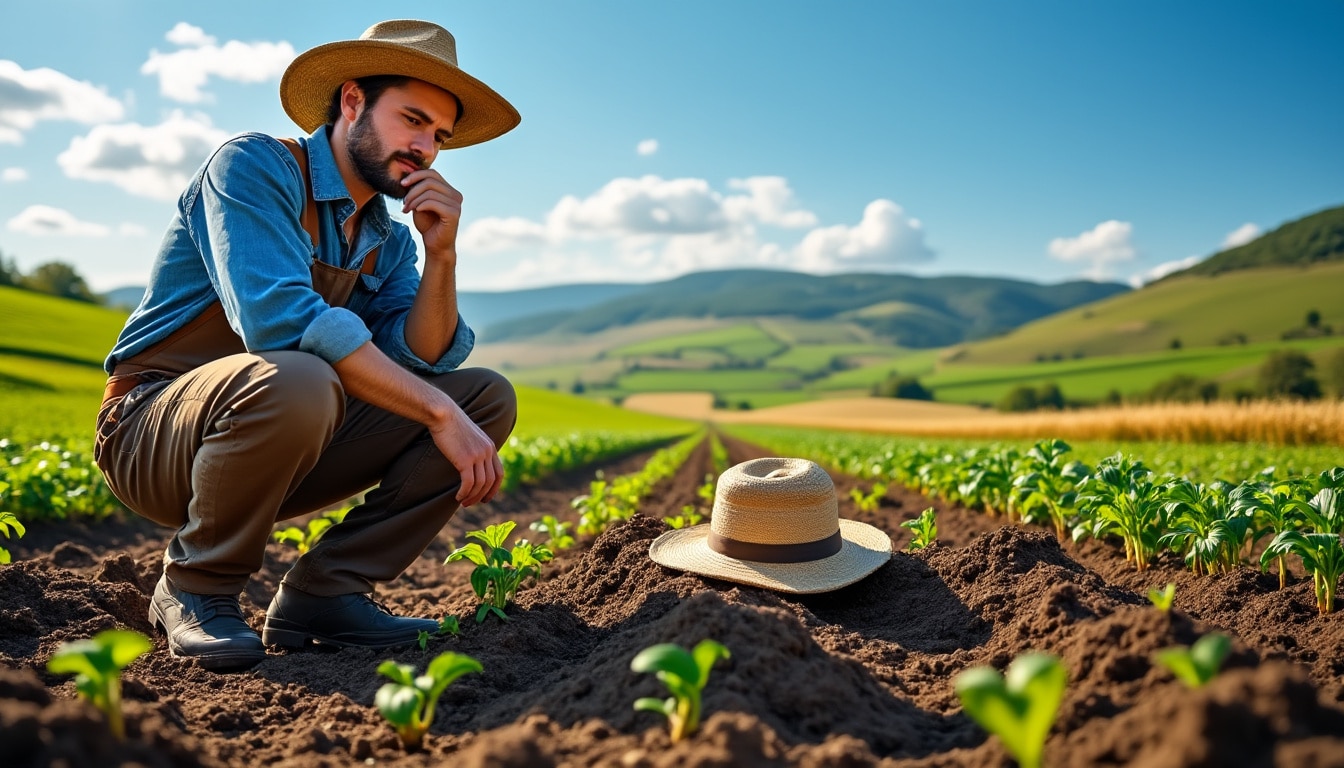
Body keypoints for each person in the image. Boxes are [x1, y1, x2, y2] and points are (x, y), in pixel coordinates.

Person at [93, 19, 521, 670]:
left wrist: (443, 256)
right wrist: (439, 412)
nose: (426, 148)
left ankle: (326, 593)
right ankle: (195, 587)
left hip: (287, 435)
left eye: (439, 136)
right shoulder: (253, 167)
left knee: (484, 399)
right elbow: (280, 322)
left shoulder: (390, 239)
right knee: (306, 375)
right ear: (352, 102)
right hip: (151, 432)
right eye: (412, 119)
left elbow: (420, 360)